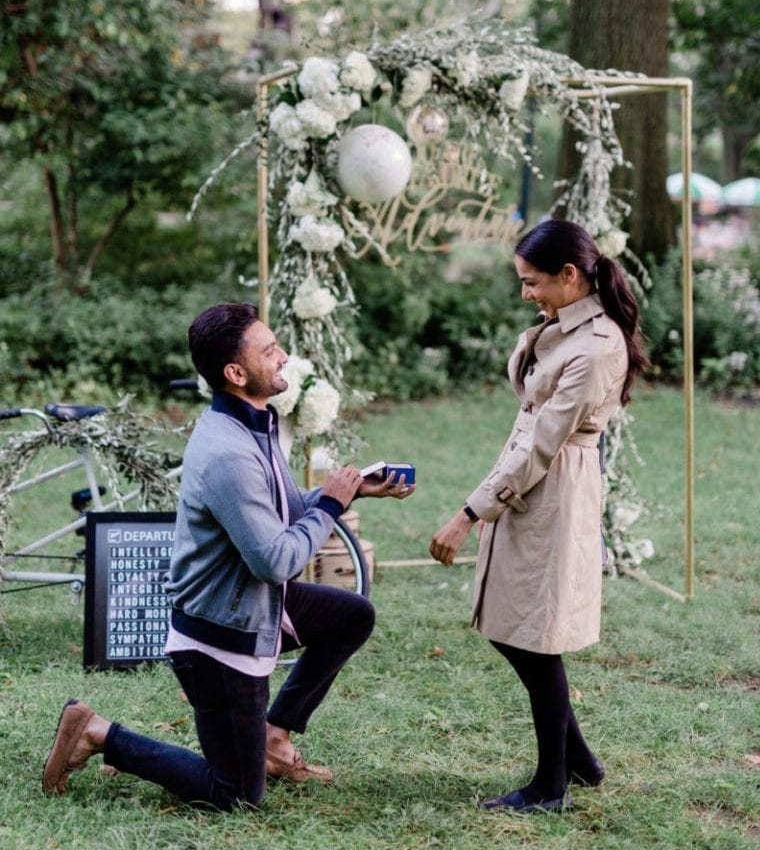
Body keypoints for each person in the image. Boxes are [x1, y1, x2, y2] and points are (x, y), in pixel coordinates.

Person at [43, 302, 413, 810]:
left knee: (351, 616)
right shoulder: (228, 451)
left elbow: (273, 514)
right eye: (270, 351)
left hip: (255, 607)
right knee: (235, 796)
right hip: (219, 638)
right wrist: (329, 504)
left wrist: (351, 492)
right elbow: (275, 560)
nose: (283, 357)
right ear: (236, 373)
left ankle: (274, 738)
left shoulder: (253, 424)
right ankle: (99, 733)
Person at [429, 219, 646, 814]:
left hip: (552, 490)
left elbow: (543, 444)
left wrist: (468, 513)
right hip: (527, 479)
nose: (526, 294)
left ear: (570, 276)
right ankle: (578, 759)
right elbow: (529, 414)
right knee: (513, 625)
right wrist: (546, 324)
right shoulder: (564, 328)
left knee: (535, 636)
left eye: (532, 283)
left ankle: (553, 783)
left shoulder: (597, 346)